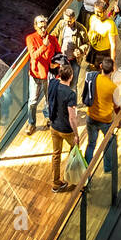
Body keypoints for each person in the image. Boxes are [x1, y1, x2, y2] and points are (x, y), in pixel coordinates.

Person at [47, 61, 81, 193]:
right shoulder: (70, 94)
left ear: (60, 75)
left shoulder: (53, 84)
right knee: (74, 152)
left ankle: (56, 183)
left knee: (56, 154)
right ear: (71, 77)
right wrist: (76, 134)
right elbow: (72, 117)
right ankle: (73, 179)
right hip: (66, 130)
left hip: (54, 126)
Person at [82, 58, 120, 175]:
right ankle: (108, 166)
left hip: (91, 117)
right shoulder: (113, 88)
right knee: (109, 143)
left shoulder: (94, 79)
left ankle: (86, 171)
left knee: (91, 144)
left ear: (100, 66)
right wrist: (119, 120)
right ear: (113, 70)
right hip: (106, 120)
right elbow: (117, 106)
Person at [25, 16, 59, 135]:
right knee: (32, 101)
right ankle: (31, 123)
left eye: (45, 27)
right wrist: (44, 46)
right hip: (35, 74)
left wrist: (56, 63)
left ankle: (49, 118)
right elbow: (34, 55)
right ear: (35, 27)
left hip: (49, 74)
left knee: (49, 99)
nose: (43, 30)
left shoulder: (52, 39)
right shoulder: (30, 38)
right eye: (40, 27)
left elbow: (59, 53)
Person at [56, 6, 88, 91]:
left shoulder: (81, 29)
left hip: (74, 60)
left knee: (73, 84)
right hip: (62, 58)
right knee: (62, 83)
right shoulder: (61, 24)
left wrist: (80, 50)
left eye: (69, 21)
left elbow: (87, 43)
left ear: (74, 19)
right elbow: (54, 35)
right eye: (66, 20)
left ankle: (72, 103)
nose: (67, 23)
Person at [86, 0, 119, 72]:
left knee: (103, 74)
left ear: (105, 11)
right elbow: (90, 32)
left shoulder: (110, 25)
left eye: (99, 12)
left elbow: (113, 45)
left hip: (104, 53)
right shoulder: (92, 18)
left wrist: (112, 63)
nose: (96, 14)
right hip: (93, 50)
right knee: (92, 70)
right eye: (95, 11)